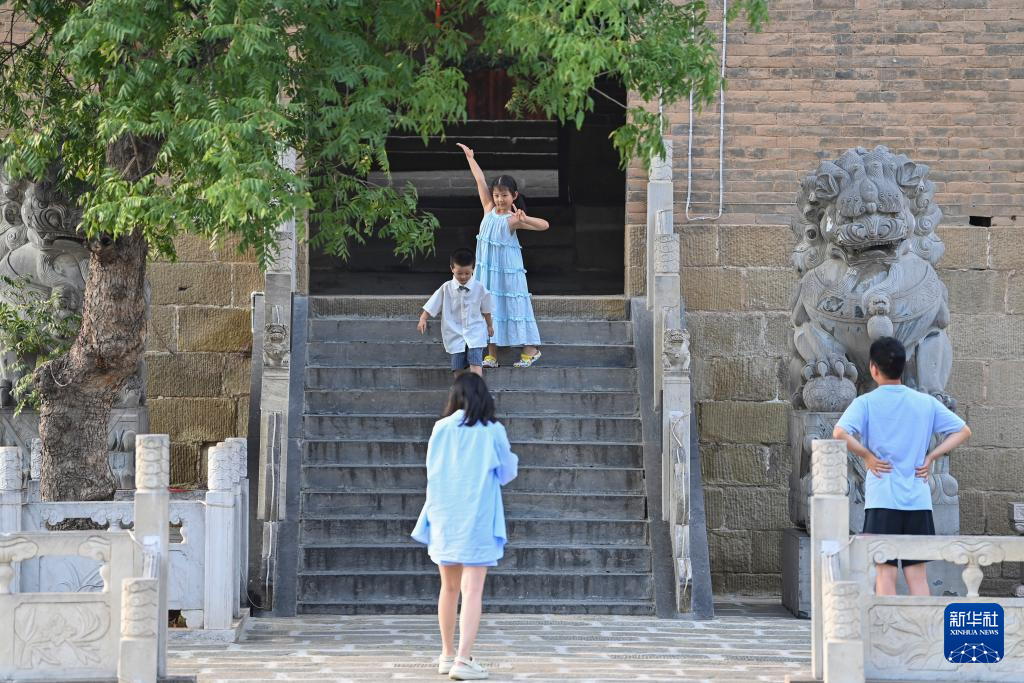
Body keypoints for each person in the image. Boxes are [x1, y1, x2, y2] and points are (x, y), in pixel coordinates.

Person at [832, 336, 971, 597]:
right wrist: (932, 456)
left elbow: (839, 433)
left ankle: (888, 624)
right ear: (903, 366)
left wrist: (866, 455)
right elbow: (963, 431)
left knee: (885, 573)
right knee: (917, 576)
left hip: (882, 499)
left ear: (873, 368)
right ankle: (921, 624)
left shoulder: (866, 403)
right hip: (917, 500)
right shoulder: (925, 402)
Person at [411, 374, 519, 681]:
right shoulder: (492, 430)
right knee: (472, 590)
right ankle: (463, 659)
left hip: (445, 514)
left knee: (448, 588)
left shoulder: (441, 427)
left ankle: (447, 654)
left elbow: (431, 469)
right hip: (478, 516)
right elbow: (507, 471)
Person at [456, 142, 549, 368]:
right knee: (488, 308)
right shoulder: (488, 209)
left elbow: (544, 225)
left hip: (508, 273)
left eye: (504, 195)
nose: (499, 199)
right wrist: (470, 158)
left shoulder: (513, 220)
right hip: (487, 272)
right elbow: (480, 180)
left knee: (514, 306)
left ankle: (531, 349)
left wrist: (525, 219)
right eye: (496, 195)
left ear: (514, 196)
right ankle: (492, 355)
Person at [419, 249, 495, 377]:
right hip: (455, 332)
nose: (463, 277)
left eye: (467, 273)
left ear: (473, 269)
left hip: (475, 332)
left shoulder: (480, 288)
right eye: (459, 273)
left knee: (476, 362)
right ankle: (460, 388)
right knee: (457, 367)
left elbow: (486, 310)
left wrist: (489, 325)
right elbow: (433, 304)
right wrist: (423, 318)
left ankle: (477, 387)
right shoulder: (446, 287)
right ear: (452, 269)